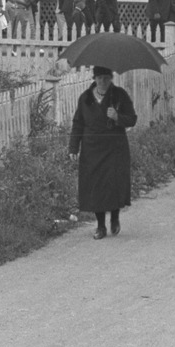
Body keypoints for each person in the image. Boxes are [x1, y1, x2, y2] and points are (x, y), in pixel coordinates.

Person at [68, 65, 138, 239]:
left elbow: (132, 119)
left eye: (106, 78)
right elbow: (78, 123)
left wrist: (117, 117)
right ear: (94, 79)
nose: (103, 81)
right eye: (100, 78)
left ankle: (114, 218)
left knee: (113, 183)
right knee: (96, 185)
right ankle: (100, 227)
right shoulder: (85, 98)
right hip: (92, 148)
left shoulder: (119, 95)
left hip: (115, 148)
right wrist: (73, 147)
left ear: (111, 78)